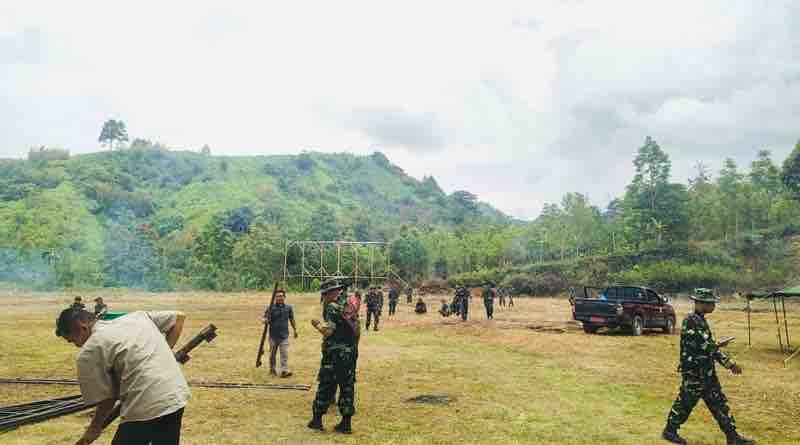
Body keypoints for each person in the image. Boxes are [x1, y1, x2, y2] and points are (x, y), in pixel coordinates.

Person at [55, 306, 189, 445]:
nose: (76, 345)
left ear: (82, 328)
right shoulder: (135, 317)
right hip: (175, 394)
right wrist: (163, 355)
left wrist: (93, 430)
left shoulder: (90, 350)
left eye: (72, 340)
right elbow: (178, 318)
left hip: (145, 404)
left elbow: (106, 399)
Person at [662, 288, 755, 445]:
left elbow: (706, 346)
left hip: (706, 372)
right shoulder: (691, 320)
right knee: (685, 402)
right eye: (710, 303)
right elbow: (706, 346)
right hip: (695, 373)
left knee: (719, 403)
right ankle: (670, 431)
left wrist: (718, 348)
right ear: (699, 303)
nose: (713, 306)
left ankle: (732, 436)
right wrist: (729, 363)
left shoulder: (700, 320)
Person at [308, 279, 358, 434]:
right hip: (350, 353)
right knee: (347, 387)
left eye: (324, 294)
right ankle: (346, 423)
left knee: (326, 385)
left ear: (327, 294)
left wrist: (316, 324)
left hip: (335, 354)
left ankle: (317, 420)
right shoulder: (348, 306)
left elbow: (328, 331)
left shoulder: (332, 308)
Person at [263, 289, 298, 378]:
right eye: (278, 296)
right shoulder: (270, 308)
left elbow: (292, 319)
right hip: (273, 336)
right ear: (275, 298)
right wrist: (265, 320)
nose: (280, 298)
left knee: (284, 354)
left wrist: (295, 330)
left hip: (284, 336)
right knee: (272, 355)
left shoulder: (288, 308)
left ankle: (284, 370)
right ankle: (272, 369)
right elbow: (264, 318)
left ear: (284, 297)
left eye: (281, 296)